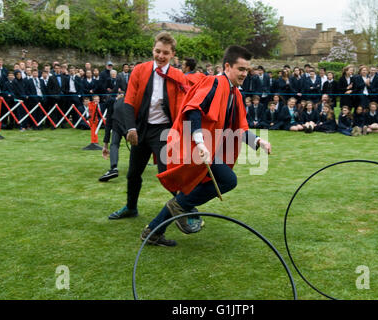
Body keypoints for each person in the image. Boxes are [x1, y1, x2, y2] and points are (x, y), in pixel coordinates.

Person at [141, 45, 272, 247]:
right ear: (227, 66)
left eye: (247, 70)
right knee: (228, 180)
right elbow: (193, 110)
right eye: (241, 69)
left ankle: (153, 231)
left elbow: (240, 128)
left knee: (193, 193)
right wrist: (200, 142)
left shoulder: (234, 93)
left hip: (207, 148)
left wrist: (257, 141)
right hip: (194, 146)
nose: (245, 74)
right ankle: (181, 206)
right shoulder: (213, 82)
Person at [108, 32, 189, 220]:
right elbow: (128, 101)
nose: (160, 56)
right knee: (133, 173)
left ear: (172, 54)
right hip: (141, 128)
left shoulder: (178, 76)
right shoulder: (140, 70)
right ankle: (131, 207)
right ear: (153, 49)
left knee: (167, 174)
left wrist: (180, 134)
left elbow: (182, 108)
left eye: (165, 53)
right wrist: (131, 128)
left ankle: (188, 210)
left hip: (164, 131)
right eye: (157, 51)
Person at [99, 93, 126, 182]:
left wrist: (105, 144)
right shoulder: (129, 99)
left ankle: (113, 168)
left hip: (116, 123)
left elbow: (108, 125)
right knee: (136, 145)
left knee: (114, 144)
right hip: (129, 122)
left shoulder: (112, 103)